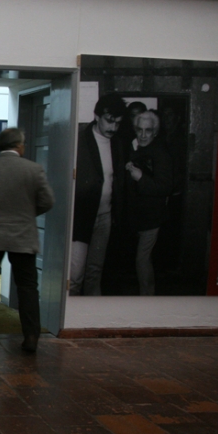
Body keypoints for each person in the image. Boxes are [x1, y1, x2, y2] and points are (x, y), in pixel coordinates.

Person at [0, 128, 55, 352]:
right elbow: (47, 201)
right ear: (19, 145)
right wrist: (27, 213)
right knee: (27, 286)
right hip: (23, 235)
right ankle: (31, 335)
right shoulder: (34, 169)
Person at [71, 94, 126, 296]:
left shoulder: (117, 144)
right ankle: (71, 313)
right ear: (96, 116)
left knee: (95, 271)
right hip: (81, 216)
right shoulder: (79, 141)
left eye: (118, 123)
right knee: (75, 275)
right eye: (109, 121)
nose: (113, 127)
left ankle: (90, 313)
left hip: (105, 216)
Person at [124, 111, 172, 295]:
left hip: (152, 217)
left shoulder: (161, 153)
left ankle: (147, 298)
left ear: (155, 132)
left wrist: (140, 177)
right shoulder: (137, 148)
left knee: (142, 259)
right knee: (143, 259)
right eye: (140, 130)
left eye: (148, 130)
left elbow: (164, 187)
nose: (143, 135)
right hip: (138, 216)